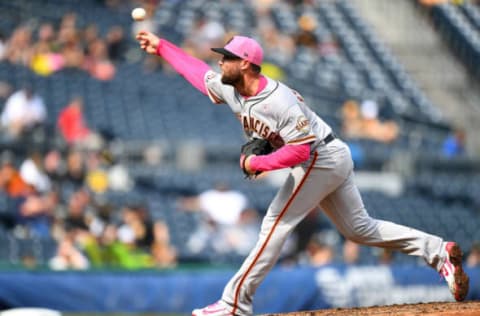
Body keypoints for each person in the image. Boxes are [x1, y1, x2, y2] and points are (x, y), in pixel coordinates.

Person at [135, 31, 469, 316]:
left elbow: (301, 151)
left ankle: (234, 303)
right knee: (358, 229)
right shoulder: (232, 88)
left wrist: (257, 164)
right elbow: (198, 73)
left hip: (320, 157)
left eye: (228, 58)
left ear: (247, 64)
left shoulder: (277, 100)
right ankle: (439, 252)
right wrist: (163, 46)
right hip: (327, 156)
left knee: (275, 223)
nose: (221, 63)